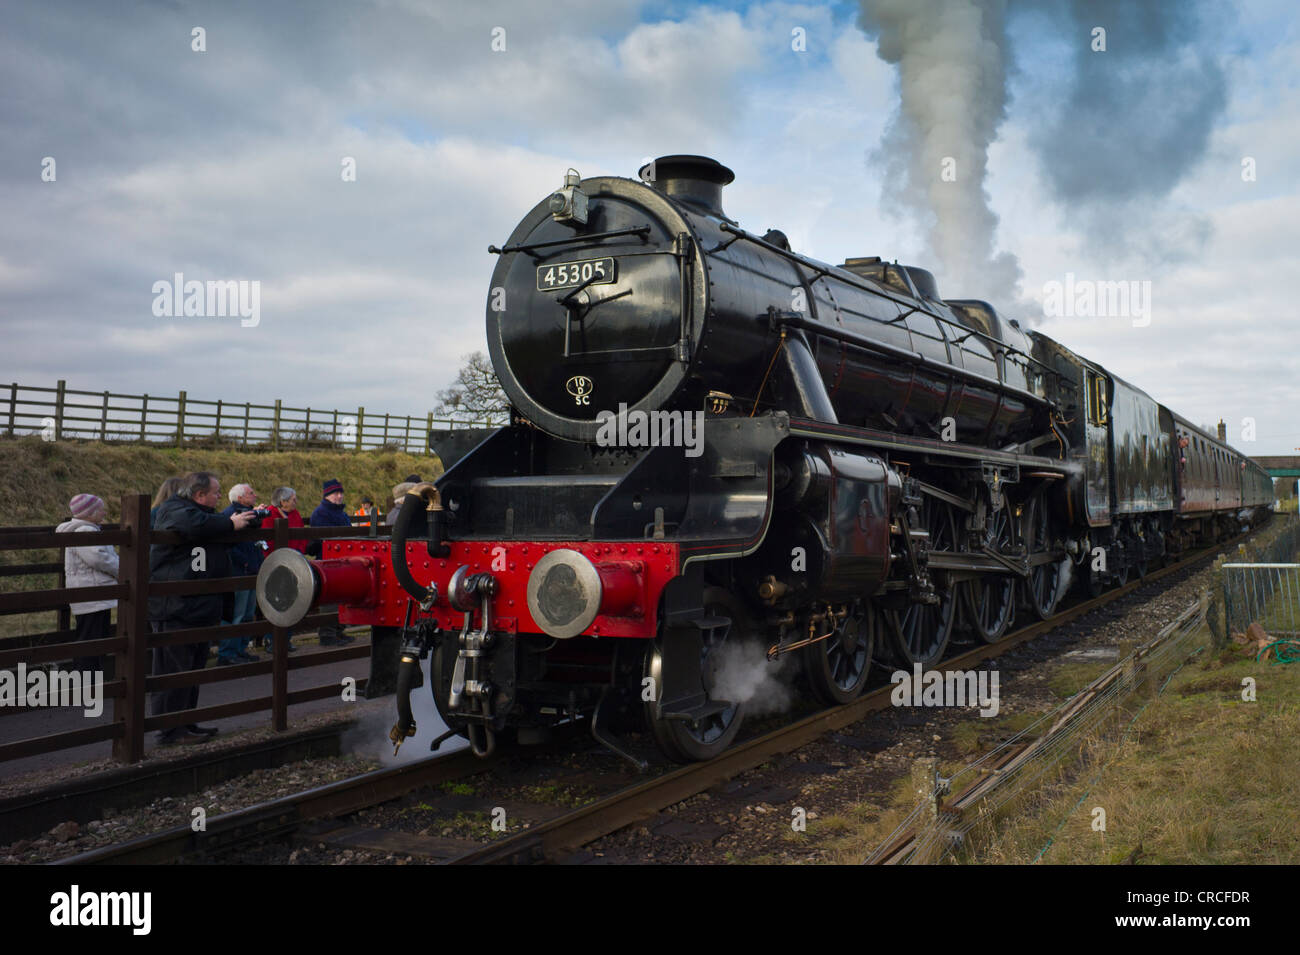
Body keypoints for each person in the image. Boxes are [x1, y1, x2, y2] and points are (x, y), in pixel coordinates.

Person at [149, 471, 260, 744]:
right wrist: (229, 523)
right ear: (199, 495)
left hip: (194, 607)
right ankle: (170, 730)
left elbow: (213, 526)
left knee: (192, 670)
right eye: (216, 492)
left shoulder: (204, 516)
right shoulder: (175, 510)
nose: (220, 497)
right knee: (174, 671)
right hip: (175, 607)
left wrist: (245, 521)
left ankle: (186, 722)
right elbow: (192, 524)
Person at [55, 494, 119, 674]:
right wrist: (124, 569)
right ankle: (87, 680)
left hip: (90, 594)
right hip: (93, 595)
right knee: (92, 640)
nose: (104, 512)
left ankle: (88, 679)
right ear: (88, 513)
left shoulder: (84, 529)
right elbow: (100, 559)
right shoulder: (85, 531)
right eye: (100, 509)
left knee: (91, 637)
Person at [217, 483, 263, 664]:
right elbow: (227, 546)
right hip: (238, 572)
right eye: (251, 493)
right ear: (240, 498)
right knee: (235, 615)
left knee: (246, 614)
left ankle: (240, 649)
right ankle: (227, 654)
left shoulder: (249, 514)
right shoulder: (231, 515)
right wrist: (244, 561)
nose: (255, 495)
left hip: (250, 569)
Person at [258, 486, 304, 652]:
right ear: (283, 501)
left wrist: (298, 556)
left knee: (292, 601)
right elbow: (267, 544)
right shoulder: (270, 514)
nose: (296, 502)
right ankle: (273, 641)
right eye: (293, 499)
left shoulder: (295, 514)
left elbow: (301, 536)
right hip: (276, 565)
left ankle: (286, 639)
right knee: (277, 602)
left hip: (294, 563)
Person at [309, 479, 354, 646]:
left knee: (341, 596)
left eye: (340, 493)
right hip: (328, 560)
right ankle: (327, 634)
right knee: (329, 599)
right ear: (327, 495)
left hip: (342, 559)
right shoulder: (321, 513)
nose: (339, 496)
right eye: (335, 493)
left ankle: (338, 630)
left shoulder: (340, 513)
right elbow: (324, 537)